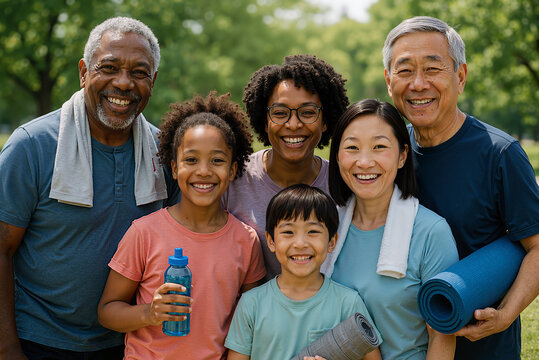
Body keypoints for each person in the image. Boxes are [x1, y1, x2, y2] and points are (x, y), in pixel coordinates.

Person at [0, 17, 180, 359]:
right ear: (84, 72)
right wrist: (6, 348)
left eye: (139, 73)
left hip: (132, 343)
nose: (123, 83)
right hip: (38, 343)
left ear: (152, 81)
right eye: (109, 67)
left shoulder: (166, 153)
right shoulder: (32, 147)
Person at [382, 16, 539, 360]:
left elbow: (536, 247)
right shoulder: (389, 155)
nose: (418, 84)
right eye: (405, 70)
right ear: (389, 81)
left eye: (433, 69)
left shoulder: (500, 154)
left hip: (483, 347)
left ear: (461, 77)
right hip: (407, 347)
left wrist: (506, 315)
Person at [97, 92, 266, 360]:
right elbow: (107, 310)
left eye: (217, 160)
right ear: (174, 169)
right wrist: (148, 313)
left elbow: (253, 320)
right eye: (191, 160)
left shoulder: (245, 240)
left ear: (233, 170)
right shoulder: (144, 233)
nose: (203, 171)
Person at [323, 99, 459, 359]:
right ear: (338, 156)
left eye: (379, 147)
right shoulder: (326, 226)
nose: (364, 162)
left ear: (402, 156)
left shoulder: (431, 233)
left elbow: (441, 337)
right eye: (352, 147)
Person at [224, 54, 349, 281]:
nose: (293, 124)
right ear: (264, 120)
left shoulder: (343, 184)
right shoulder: (234, 179)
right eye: (280, 113)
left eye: (308, 113)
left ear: (325, 121)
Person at [225, 184, 382, 360]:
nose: (300, 243)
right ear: (271, 241)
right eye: (288, 232)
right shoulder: (251, 305)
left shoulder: (348, 303)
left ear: (332, 241)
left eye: (313, 231)